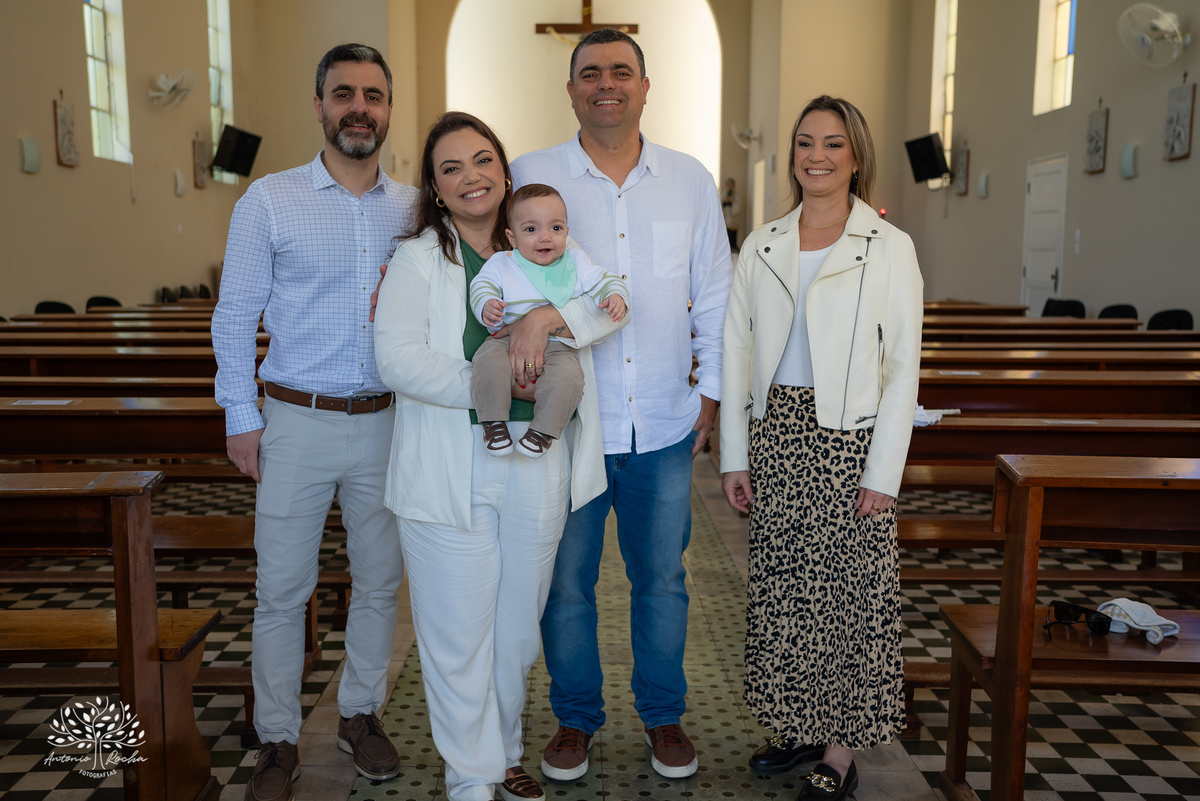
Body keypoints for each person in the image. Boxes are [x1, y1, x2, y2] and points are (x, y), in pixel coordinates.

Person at [372, 111, 626, 801]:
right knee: (457, 635)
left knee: (517, 626)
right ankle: (472, 776)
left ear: (504, 171)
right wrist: (495, 383)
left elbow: (609, 306)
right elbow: (394, 358)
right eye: (451, 167)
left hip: (535, 462)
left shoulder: (547, 245)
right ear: (434, 185)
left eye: (482, 159)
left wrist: (549, 319)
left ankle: (505, 747)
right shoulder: (419, 257)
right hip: (448, 463)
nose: (470, 176)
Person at [510, 28, 733, 781]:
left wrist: (710, 395)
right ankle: (575, 719)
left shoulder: (690, 179)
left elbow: (716, 292)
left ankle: (663, 715)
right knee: (565, 582)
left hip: (663, 417)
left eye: (621, 71)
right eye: (590, 73)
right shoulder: (532, 173)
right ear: (570, 89)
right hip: (567, 420)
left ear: (645, 85)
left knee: (662, 578)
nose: (607, 83)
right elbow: (485, 259)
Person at [212, 43, 414, 801]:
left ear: (389, 107)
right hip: (295, 418)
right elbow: (234, 316)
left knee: (379, 582)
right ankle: (277, 736)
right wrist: (241, 414)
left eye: (373, 94)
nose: (359, 107)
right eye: (343, 94)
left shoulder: (413, 206)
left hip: (388, 422)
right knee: (282, 588)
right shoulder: (269, 199)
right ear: (320, 105)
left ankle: (360, 714)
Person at [719, 95, 923, 801]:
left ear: (855, 156)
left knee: (846, 598)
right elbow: (736, 348)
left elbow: (903, 367)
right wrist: (735, 455)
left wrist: (883, 472)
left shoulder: (888, 247)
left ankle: (839, 752)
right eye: (806, 142)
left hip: (850, 438)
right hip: (779, 432)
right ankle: (799, 725)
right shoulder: (763, 241)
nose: (817, 155)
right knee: (784, 591)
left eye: (833, 144)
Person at [470, 182, 628, 459]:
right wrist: (486, 305)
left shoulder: (575, 262)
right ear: (512, 237)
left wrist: (615, 294)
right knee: (486, 362)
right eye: (531, 229)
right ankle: (493, 422)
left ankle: (544, 430)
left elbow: (604, 279)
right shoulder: (502, 263)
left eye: (555, 228)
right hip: (506, 341)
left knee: (570, 378)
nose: (545, 237)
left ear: (567, 232)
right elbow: (481, 286)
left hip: (558, 345)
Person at [721, 177, 741, 252]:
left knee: (733, 230)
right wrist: (726, 201)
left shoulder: (736, 194)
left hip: (733, 215)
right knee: (727, 230)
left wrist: (731, 202)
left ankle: (734, 245)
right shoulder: (724, 193)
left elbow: (738, 205)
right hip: (727, 214)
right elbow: (721, 203)